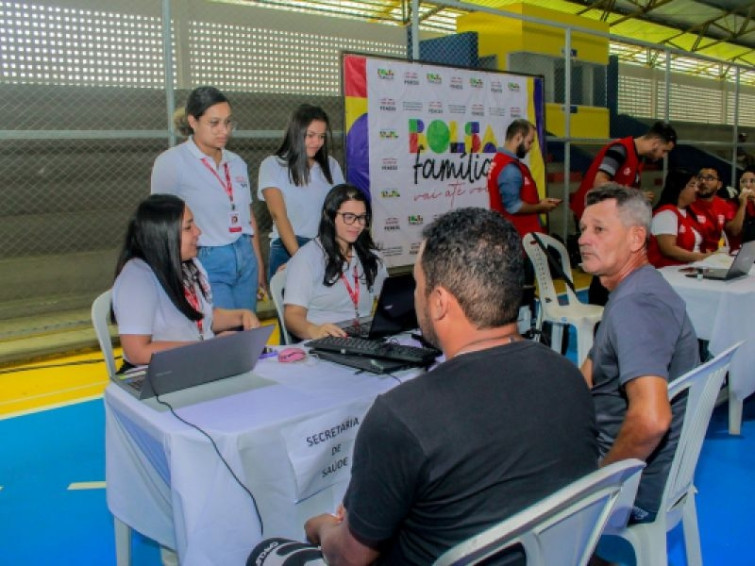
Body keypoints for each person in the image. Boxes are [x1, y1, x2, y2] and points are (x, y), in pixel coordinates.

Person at [249, 208, 599, 565]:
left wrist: (320, 527)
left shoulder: (401, 419)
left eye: (418, 285)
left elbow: (349, 558)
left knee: (265, 553)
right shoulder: (568, 376)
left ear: (440, 303)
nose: (416, 296)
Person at [578, 184, 699, 526]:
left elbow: (651, 419)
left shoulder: (636, 304)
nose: (584, 239)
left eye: (599, 229)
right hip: (648, 470)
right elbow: (589, 372)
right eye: (583, 229)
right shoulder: (637, 288)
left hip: (636, 491)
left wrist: (602, 484)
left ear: (635, 238)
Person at [151, 86, 265, 312]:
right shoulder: (172, 163)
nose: (224, 130)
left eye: (228, 122)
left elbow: (247, 217)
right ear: (193, 121)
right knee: (224, 334)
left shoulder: (237, 162)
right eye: (214, 123)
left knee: (247, 332)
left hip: (245, 257)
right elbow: (160, 224)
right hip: (205, 258)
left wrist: (258, 263)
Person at [112, 194, 260, 367]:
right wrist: (207, 348)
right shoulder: (136, 277)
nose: (198, 232)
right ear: (164, 234)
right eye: (188, 227)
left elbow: (202, 318)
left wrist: (241, 316)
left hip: (194, 361)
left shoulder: (190, 264)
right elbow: (137, 352)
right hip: (157, 372)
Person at [283, 184, 388, 341]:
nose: (357, 224)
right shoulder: (307, 258)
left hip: (363, 338)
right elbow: (292, 316)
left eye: (361, 217)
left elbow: (387, 301)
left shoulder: (371, 256)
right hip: (324, 340)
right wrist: (315, 331)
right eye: (349, 217)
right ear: (330, 216)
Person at [258, 104, 345, 280]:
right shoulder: (272, 165)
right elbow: (279, 216)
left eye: (321, 136)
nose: (317, 142)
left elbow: (341, 211)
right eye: (310, 135)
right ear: (296, 133)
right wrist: (300, 259)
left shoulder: (331, 165)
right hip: (287, 249)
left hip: (324, 248)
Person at [570, 121, 678, 221]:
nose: (664, 156)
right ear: (656, 143)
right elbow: (599, 183)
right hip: (592, 215)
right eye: (664, 151)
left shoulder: (639, 158)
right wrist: (635, 195)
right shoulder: (619, 150)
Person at [487, 118, 561, 238]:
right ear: (518, 138)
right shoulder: (509, 168)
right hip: (519, 236)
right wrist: (540, 207)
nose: (530, 147)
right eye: (529, 142)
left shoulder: (502, 161)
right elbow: (513, 207)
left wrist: (540, 202)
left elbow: (516, 197)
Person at [647, 168, 711, 267]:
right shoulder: (666, 214)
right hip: (669, 273)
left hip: (691, 268)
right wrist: (702, 257)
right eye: (692, 185)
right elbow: (669, 250)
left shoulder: (688, 213)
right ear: (679, 188)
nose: (697, 189)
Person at [689, 166, 747, 252]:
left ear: (719, 185)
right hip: (695, 254)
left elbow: (734, 231)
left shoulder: (724, 205)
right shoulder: (688, 203)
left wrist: (743, 205)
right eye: (700, 178)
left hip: (718, 256)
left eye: (709, 178)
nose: (703, 181)